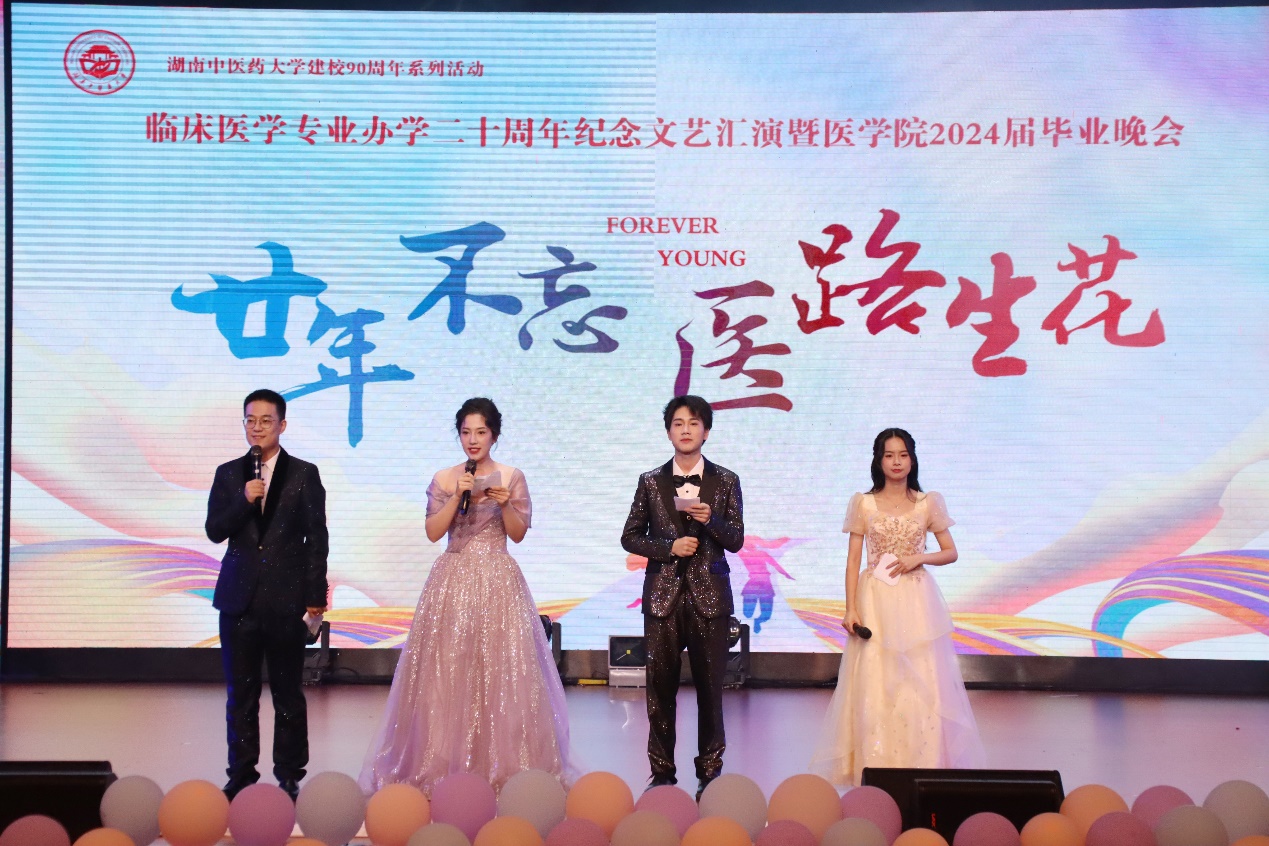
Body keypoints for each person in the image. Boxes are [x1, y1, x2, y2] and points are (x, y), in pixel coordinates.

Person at [359, 397, 571, 794]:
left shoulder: (512, 477)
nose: (473, 440)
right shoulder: (445, 478)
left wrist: (506, 504)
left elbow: (518, 534)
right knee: (448, 671)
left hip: (497, 581)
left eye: (481, 432)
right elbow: (433, 532)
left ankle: (503, 765)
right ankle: (441, 763)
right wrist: (457, 496)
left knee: (502, 670)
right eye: (465, 432)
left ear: (494, 435)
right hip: (452, 580)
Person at [811, 428, 985, 786]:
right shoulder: (863, 503)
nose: (896, 462)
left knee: (920, 679)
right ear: (878, 460)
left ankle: (923, 763)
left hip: (917, 600)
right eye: (889, 455)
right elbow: (853, 560)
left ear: (912, 459)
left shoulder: (927, 502)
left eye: (903, 455)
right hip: (875, 599)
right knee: (877, 679)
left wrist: (917, 558)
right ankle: (877, 766)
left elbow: (951, 552)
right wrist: (850, 609)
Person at [207, 389, 328, 801]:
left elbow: (317, 539)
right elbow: (214, 530)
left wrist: (315, 597)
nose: (256, 428)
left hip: (286, 600)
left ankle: (289, 774)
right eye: (250, 420)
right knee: (240, 695)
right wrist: (244, 500)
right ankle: (241, 773)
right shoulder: (228, 474)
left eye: (265, 421)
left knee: (287, 693)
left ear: (282, 425)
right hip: (238, 600)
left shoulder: (304, 474)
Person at [621, 395, 744, 800]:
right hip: (663, 598)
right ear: (668, 431)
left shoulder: (726, 480)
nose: (686, 429)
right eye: (678, 423)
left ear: (706, 431)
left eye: (694, 423)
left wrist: (713, 521)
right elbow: (630, 536)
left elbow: (736, 540)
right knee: (660, 690)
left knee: (711, 690)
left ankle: (710, 771)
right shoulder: (650, 481)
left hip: (710, 598)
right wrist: (668, 548)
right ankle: (662, 773)